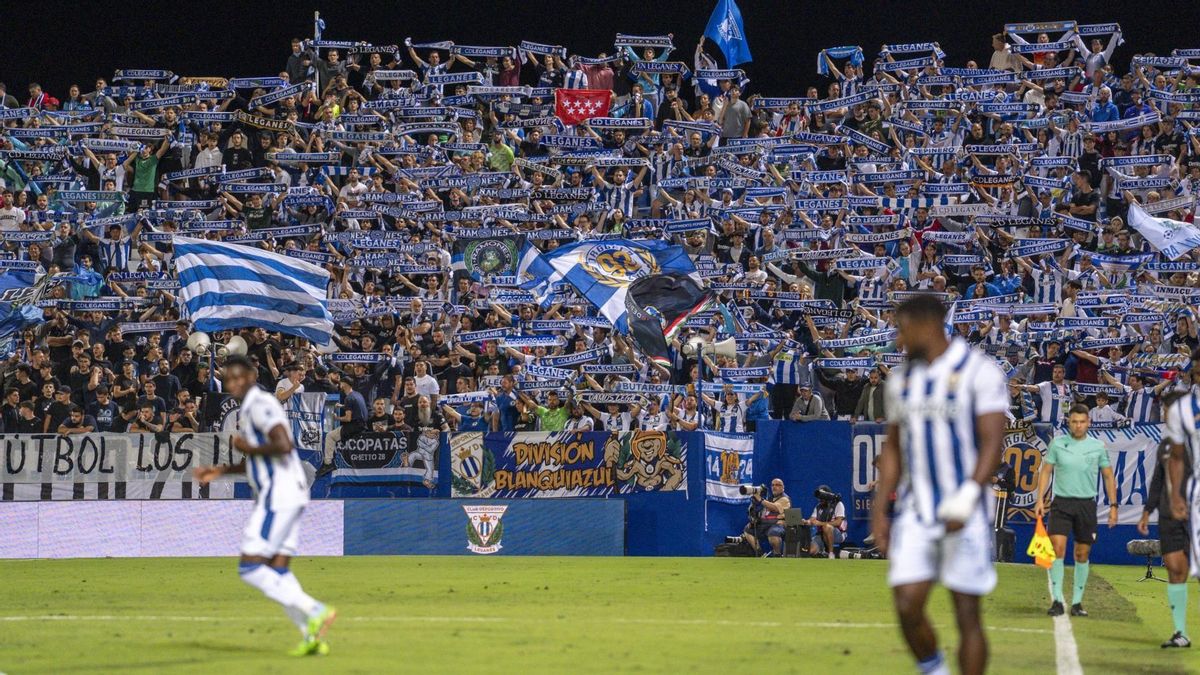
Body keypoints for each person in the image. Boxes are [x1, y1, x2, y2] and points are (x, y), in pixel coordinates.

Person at [871, 295, 1007, 675]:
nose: (898, 340)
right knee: (907, 604)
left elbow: (993, 441)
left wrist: (967, 495)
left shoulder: (979, 371)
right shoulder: (901, 380)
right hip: (918, 510)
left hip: (967, 509)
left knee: (967, 613)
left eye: (902, 330)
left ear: (925, 325)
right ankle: (935, 669)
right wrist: (881, 510)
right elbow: (894, 447)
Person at [191, 355, 336, 656]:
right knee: (277, 570)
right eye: (228, 378)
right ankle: (310, 636)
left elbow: (283, 445)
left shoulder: (261, 404)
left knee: (250, 568)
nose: (232, 383)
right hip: (287, 490)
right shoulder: (252, 407)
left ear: (252, 376)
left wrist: (247, 447)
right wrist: (219, 471)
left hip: (279, 493)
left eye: (237, 376)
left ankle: (315, 608)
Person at [1034, 404, 1118, 617]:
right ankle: (1057, 601)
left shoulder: (1098, 446)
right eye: (1074, 422)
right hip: (1061, 503)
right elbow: (1045, 472)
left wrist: (1114, 506)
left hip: (1086, 505)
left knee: (1082, 553)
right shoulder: (1058, 444)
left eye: (1082, 422)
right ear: (1068, 422)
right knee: (1057, 548)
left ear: (1088, 423)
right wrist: (1039, 499)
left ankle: (1077, 603)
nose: (1078, 426)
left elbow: (1108, 476)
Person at [1139, 421, 1191, 648]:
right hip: (1169, 517)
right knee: (1174, 569)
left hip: (1194, 518)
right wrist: (1148, 510)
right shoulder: (1166, 446)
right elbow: (1158, 481)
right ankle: (1180, 632)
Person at [743, 478, 790, 557]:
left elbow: (774, 507)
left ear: (783, 487)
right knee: (748, 529)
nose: (774, 487)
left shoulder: (785, 498)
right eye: (773, 485)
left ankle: (777, 555)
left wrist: (760, 499)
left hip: (778, 524)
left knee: (773, 532)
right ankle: (761, 554)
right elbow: (762, 511)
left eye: (777, 485)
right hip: (765, 524)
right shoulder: (770, 498)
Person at [803, 485, 846, 559]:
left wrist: (820, 523)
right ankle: (822, 553)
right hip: (821, 535)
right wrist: (806, 521)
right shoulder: (818, 506)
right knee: (811, 551)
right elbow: (812, 519)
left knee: (826, 527)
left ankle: (831, 554)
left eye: (822, 497)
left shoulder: (838, 504)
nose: (820, 499)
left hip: (837, 533)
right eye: (819, 497)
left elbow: (838, 522)